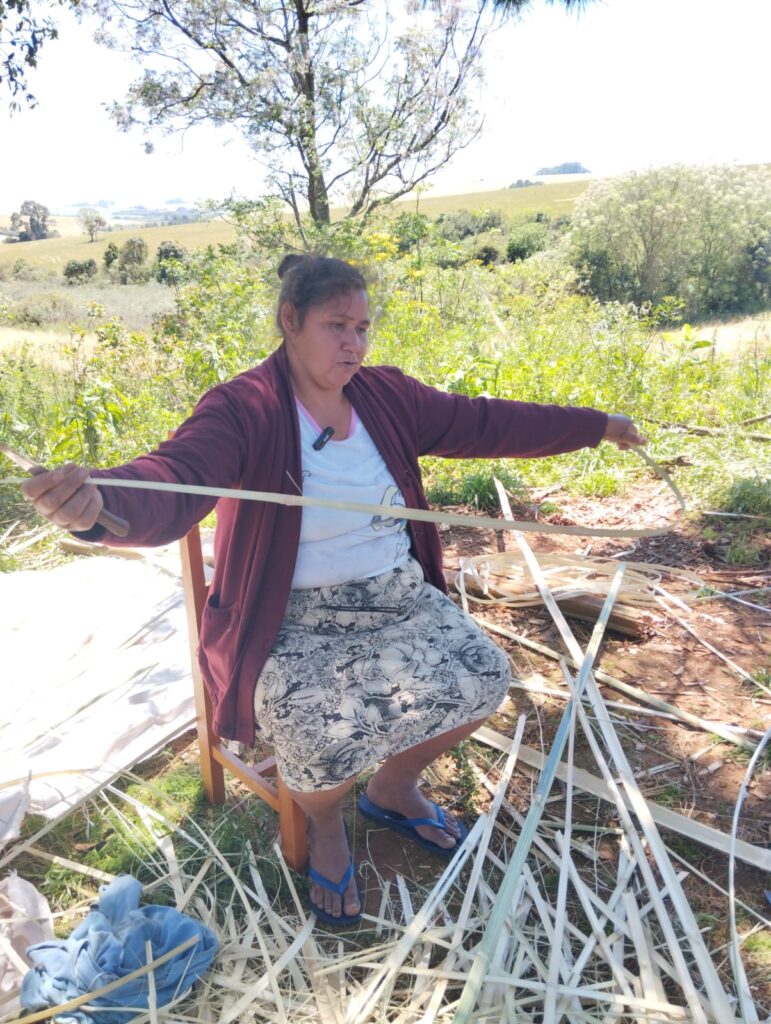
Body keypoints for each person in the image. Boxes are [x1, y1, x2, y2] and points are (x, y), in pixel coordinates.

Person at [22, 254, 645, 926]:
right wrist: (101, 505)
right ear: (290, 321)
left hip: (396, 599)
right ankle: (325, 825)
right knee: (314, 729)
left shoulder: (386, 397)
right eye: (336, 326)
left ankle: (392, 788)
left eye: (362, 328)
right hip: (287, 619)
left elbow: (486, 421)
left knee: (484, 675)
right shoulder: (246, 409)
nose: (353, 344)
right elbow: (176, 474)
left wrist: (596, 426)